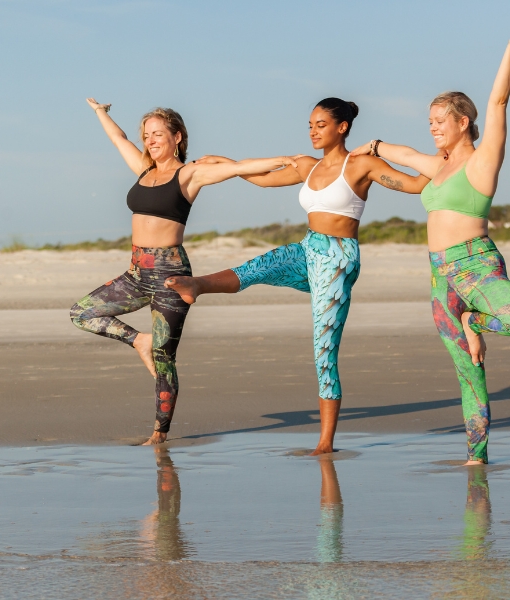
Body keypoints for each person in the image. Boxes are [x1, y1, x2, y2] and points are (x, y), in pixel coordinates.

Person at [163, 98, 428, 455]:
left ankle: (325, 442)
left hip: (337, 258)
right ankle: (197, 285)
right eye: (310, 125)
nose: (313, 131)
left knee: (323, 349)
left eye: (321, 124)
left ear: (342, 127)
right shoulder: (308, 166)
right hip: (309, 248)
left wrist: (439, 161)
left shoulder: (362, 164)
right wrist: (227, 165)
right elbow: (263, 181)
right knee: (259, 266)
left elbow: (414, 185)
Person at [70, 99, 302, 444]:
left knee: (166, 358)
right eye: (147, 135)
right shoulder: (144, 170)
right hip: (136, 272)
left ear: (177, 136)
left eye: (158, 134)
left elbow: (238, 168)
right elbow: (119, 139)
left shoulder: (190, 173)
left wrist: (286, 160)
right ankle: (139, 341)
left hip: (171, 274)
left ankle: (158, 434)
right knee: (81, 312)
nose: (150, 140)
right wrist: (101, 113)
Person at [349, 40, 510, 465]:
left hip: (477, 266)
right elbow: (404, 154)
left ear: (463, 121)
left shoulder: (482, 161)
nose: (433, 127)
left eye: (440, 121)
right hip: (440, 279)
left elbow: (497, 100)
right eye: (430, 120)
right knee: (467, 372)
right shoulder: (440, 167)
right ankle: (476, 457)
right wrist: (376, 146)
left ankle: (477, 320)